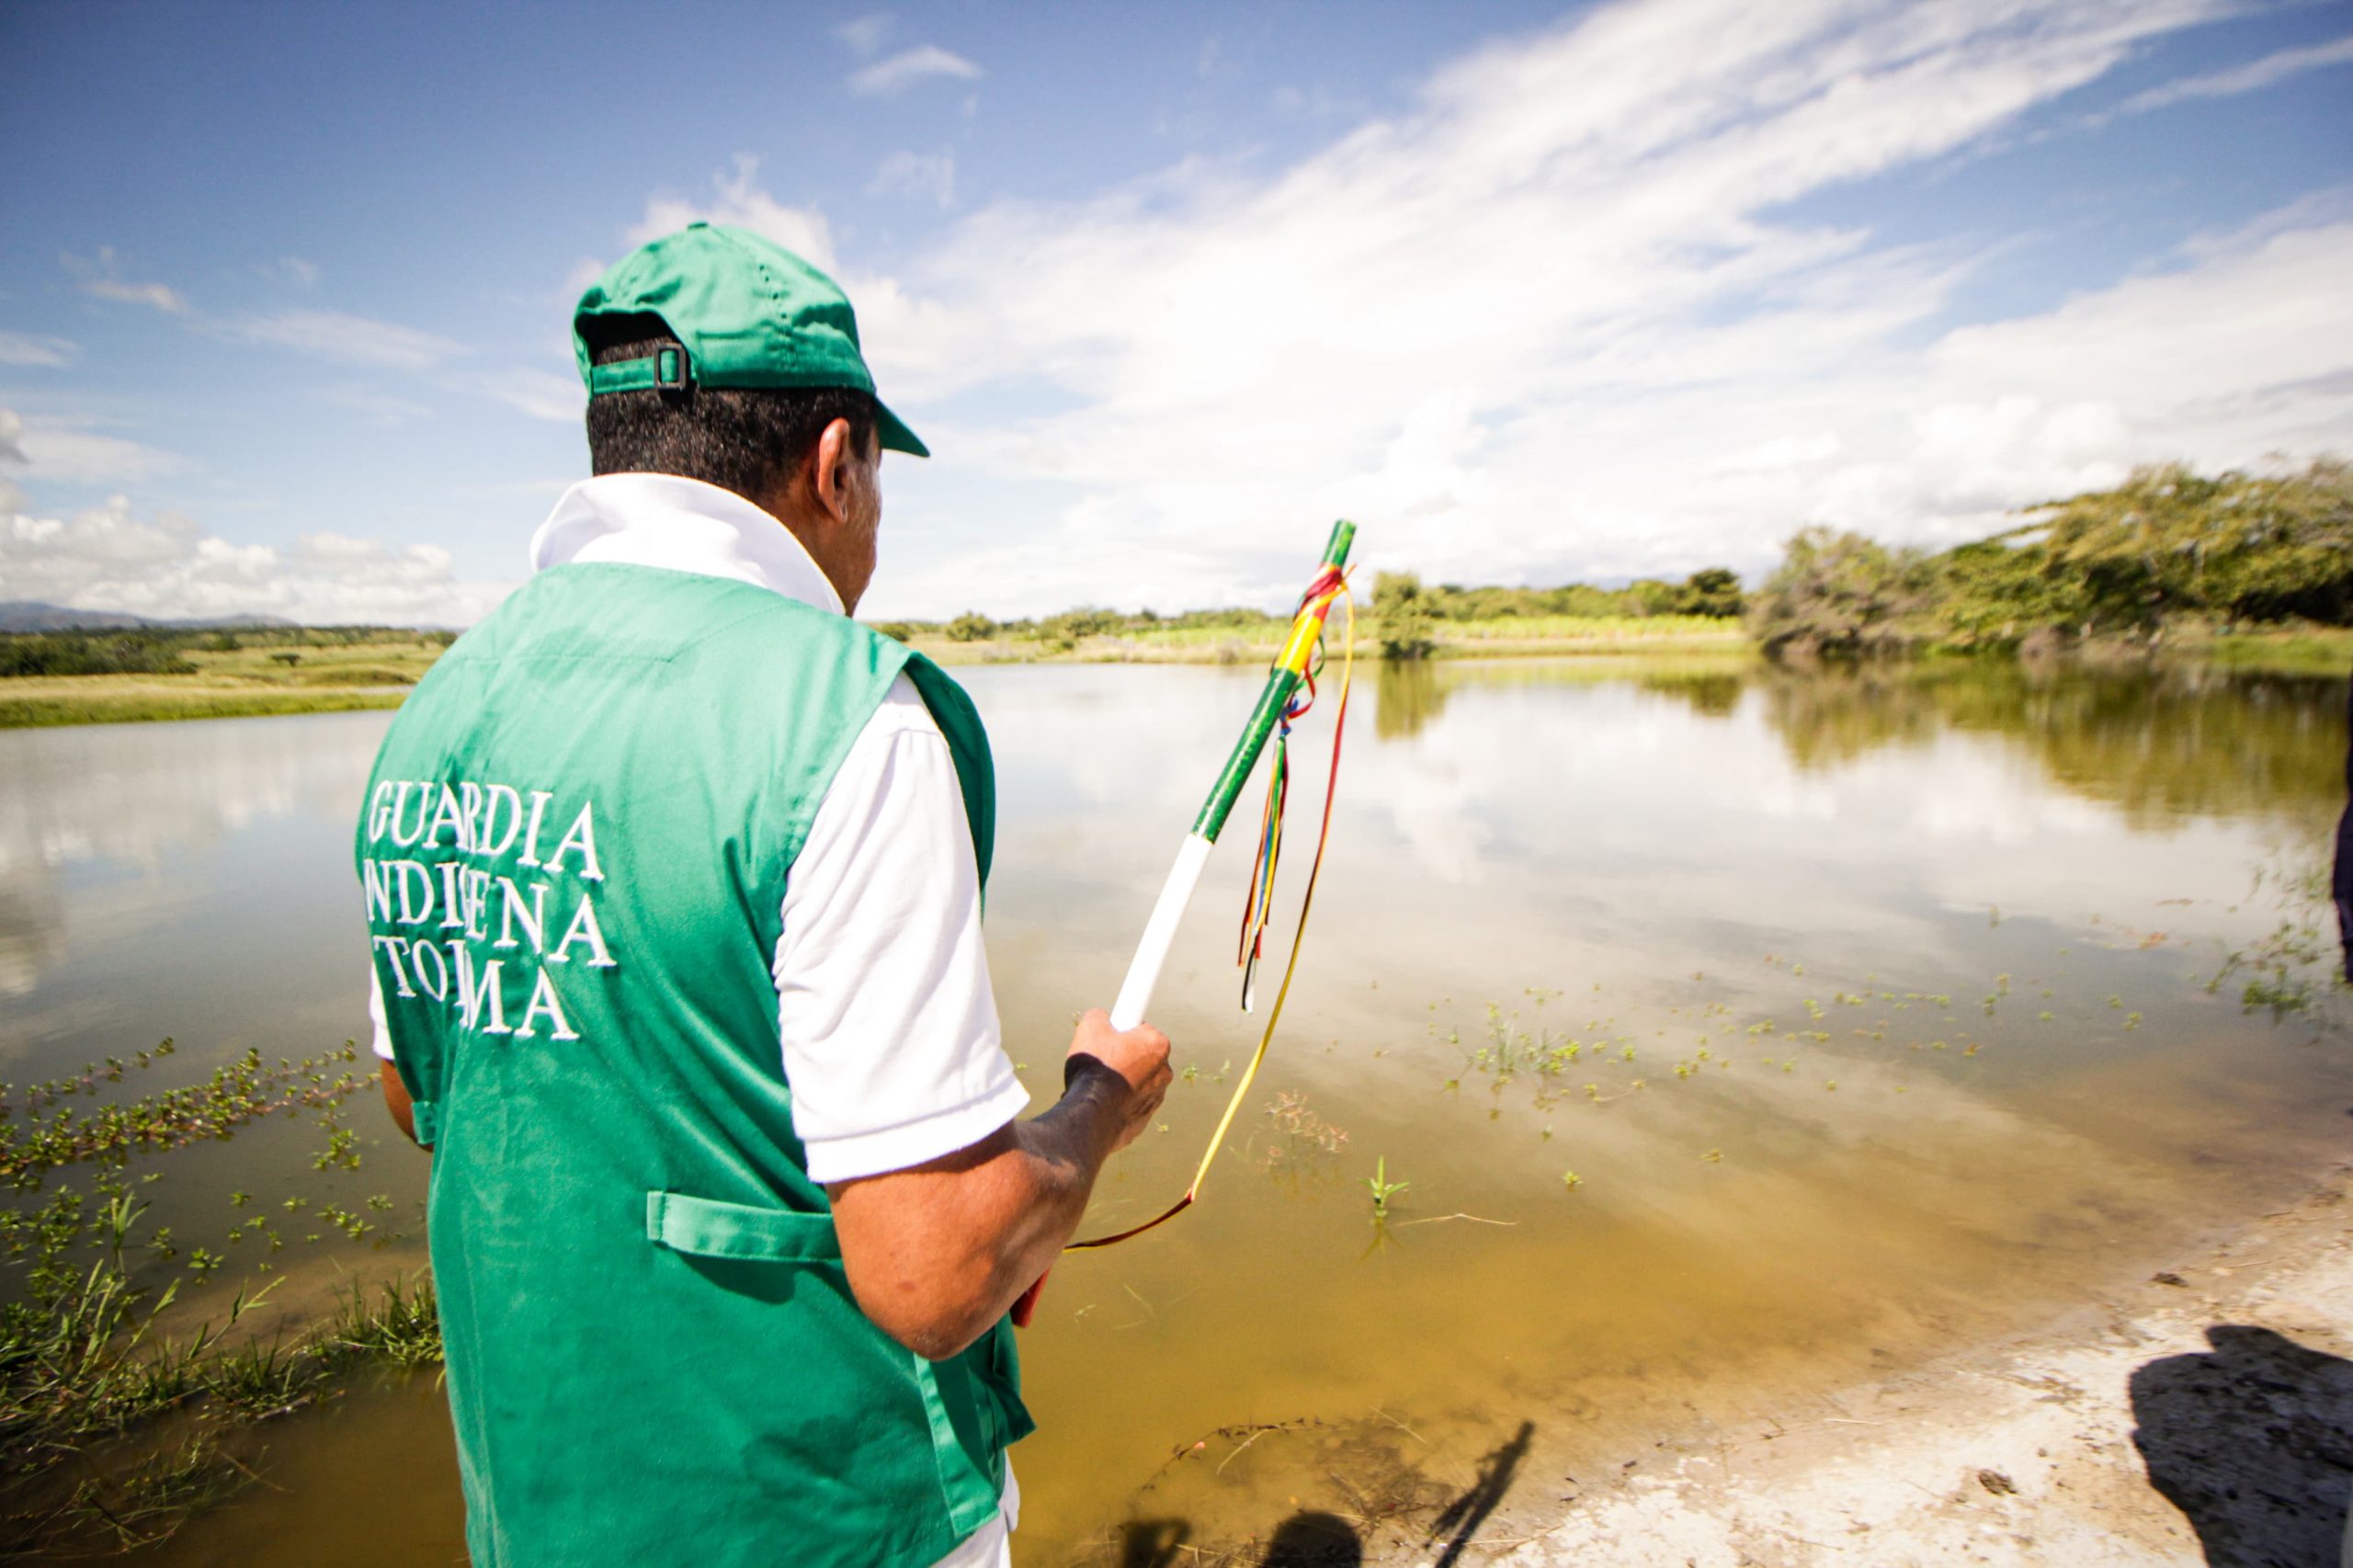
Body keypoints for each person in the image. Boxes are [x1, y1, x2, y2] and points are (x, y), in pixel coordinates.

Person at [357, 222, 1172, 1568]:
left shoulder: (444, 704)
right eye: (878, 477)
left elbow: (417, 1089)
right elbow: (934, 1272)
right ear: (837, 462)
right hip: (824, 1514)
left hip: (539, 1501)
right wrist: (1095, 1106)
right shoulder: (846, 716)